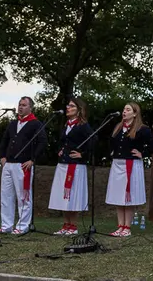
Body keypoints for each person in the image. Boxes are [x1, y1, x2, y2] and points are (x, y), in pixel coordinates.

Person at [105, 102, 153, 237]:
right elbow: (111, 142)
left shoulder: (142, 129)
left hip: (132, 165)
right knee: (118, 196)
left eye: (128, 110)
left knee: (128, 196)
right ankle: (120, 225)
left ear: (135, 114)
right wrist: (112, 152)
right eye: (124, 109)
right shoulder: (118, 127)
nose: (124, 112)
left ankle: (127, 227)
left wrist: (143, 153)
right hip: (118, 164)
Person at [0, 96, 47, 235]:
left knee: (23, 196)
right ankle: (6, 225)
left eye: (24, 105)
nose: (20, 107)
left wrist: (33, 159)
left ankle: (22, 226)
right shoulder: (13, 123)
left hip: (23, 165)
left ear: (30, 107)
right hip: (8, 164)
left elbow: (43, 142)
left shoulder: (35, 124)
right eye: (19, 104)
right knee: (6, 196)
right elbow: (4, 140)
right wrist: (2, 156)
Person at [48, 97, 94, 235]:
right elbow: (63, 141)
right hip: (63, 163)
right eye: (68, 105)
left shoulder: (83, 125)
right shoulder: (67, 125)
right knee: (63, 195)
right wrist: (61, 149)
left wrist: (83, 155)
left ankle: (73, 225)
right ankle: (66, 224)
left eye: (72, 106)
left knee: (72, 195)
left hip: (75, 166)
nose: (68, 107)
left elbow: (93, 141)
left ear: (79, 110)